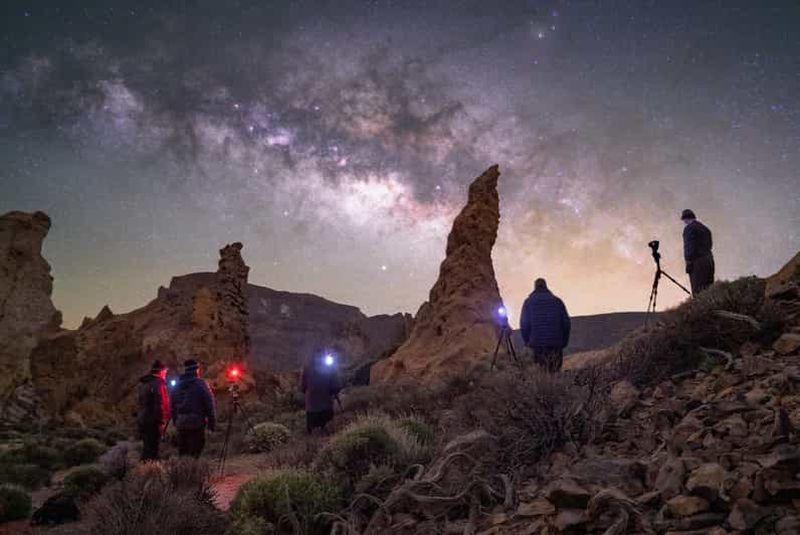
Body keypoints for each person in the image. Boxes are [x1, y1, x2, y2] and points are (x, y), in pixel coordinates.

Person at [519, 278, 571, 372]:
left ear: (535, 287)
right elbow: (566, 323)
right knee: (555, 371)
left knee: (542, 372)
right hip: (556, 343)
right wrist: (564, 341)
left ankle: (545, 386)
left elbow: (524, 324)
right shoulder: (557, 301)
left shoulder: (529, 302)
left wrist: (527, 341)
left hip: (537, 344)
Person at [170, 359, 216, 458]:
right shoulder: (201, 384)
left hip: (181, 423)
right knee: (195, 451)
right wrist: (211, 423)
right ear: (196, 370)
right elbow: (209, 404)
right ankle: (192, 471)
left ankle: (183, 471)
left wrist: (175, 421)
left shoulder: (177, 386)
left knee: (183, 452)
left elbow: (172, 406)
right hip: (196, 423)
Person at [300, 350, 341, 435]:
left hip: (311, 406)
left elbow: (302, 386)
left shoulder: (307, 368)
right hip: (326, 405)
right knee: (327, 431)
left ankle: (310, 445)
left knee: (312, 431)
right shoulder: (329, 367)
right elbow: (336, 386)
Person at [137, 360, 170, 461]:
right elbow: (160, 404)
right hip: (154, 422)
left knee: (147, 448)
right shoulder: (158, 384)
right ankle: (150, 472)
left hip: (143, 420)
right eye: (165, 372)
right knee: (153, 450)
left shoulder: (144, 384)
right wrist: (162, 421)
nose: (165, 374)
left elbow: (140, 403)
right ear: (161, 371)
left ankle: (142, 470)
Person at [681, 209, 715, 295]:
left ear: (686, 218)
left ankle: (701, 308)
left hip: (697, 262)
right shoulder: (706, 229)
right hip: (709, 260)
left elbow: (689, 247)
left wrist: (688, 262)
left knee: (698, 290)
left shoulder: (689, 229)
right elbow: (710, 245)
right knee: (709, 289)